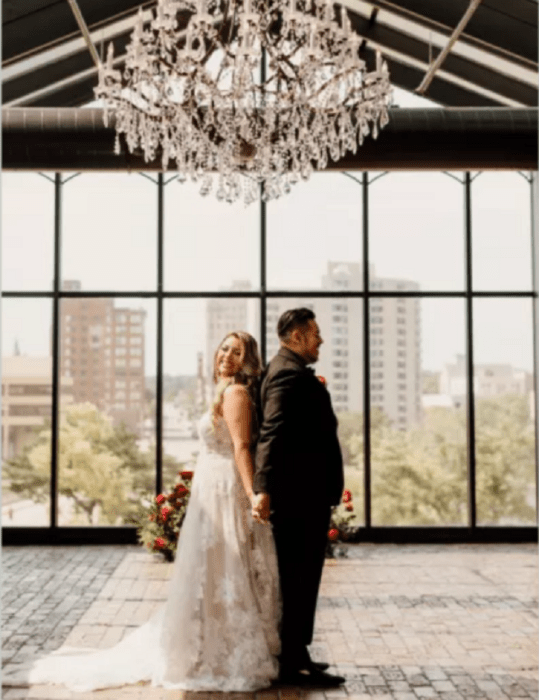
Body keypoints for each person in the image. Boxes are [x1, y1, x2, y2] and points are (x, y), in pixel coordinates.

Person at [4, 332, 280, 693]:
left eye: (237, 352)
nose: (227, 356)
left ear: (248, 360)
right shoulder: (224, 390)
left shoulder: (235, 394)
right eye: (224, 348)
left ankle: (220, 647)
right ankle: (205, 644)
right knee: (211, 569)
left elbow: (243, 448)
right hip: (209, 489)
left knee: (225, 568)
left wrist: (253, 493)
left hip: (226, 489)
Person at [252, 308, 346, 687]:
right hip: (298, 499)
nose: (321, 340)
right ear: (294, 337)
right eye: (315, 333)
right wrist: (264, 489)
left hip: (302, 496)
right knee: (298, 579)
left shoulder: (286, 370)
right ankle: (292, 661)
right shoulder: (287, 374)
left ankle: (298, 652)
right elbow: (271, 432)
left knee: (302, 578)